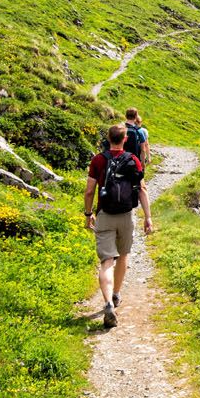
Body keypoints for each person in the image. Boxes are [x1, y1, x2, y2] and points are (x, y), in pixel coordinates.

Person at [85, 123, 154, 328]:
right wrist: (148, 217)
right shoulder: (132, 160)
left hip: (105, 215)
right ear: (125, 139)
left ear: (108, 138)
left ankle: (107, 303)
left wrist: (88, 214)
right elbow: (141, 190)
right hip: (126, 215)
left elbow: (89, 191)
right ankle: (115, 295)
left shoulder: (98, 160)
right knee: (123, 255)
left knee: (107, 261)